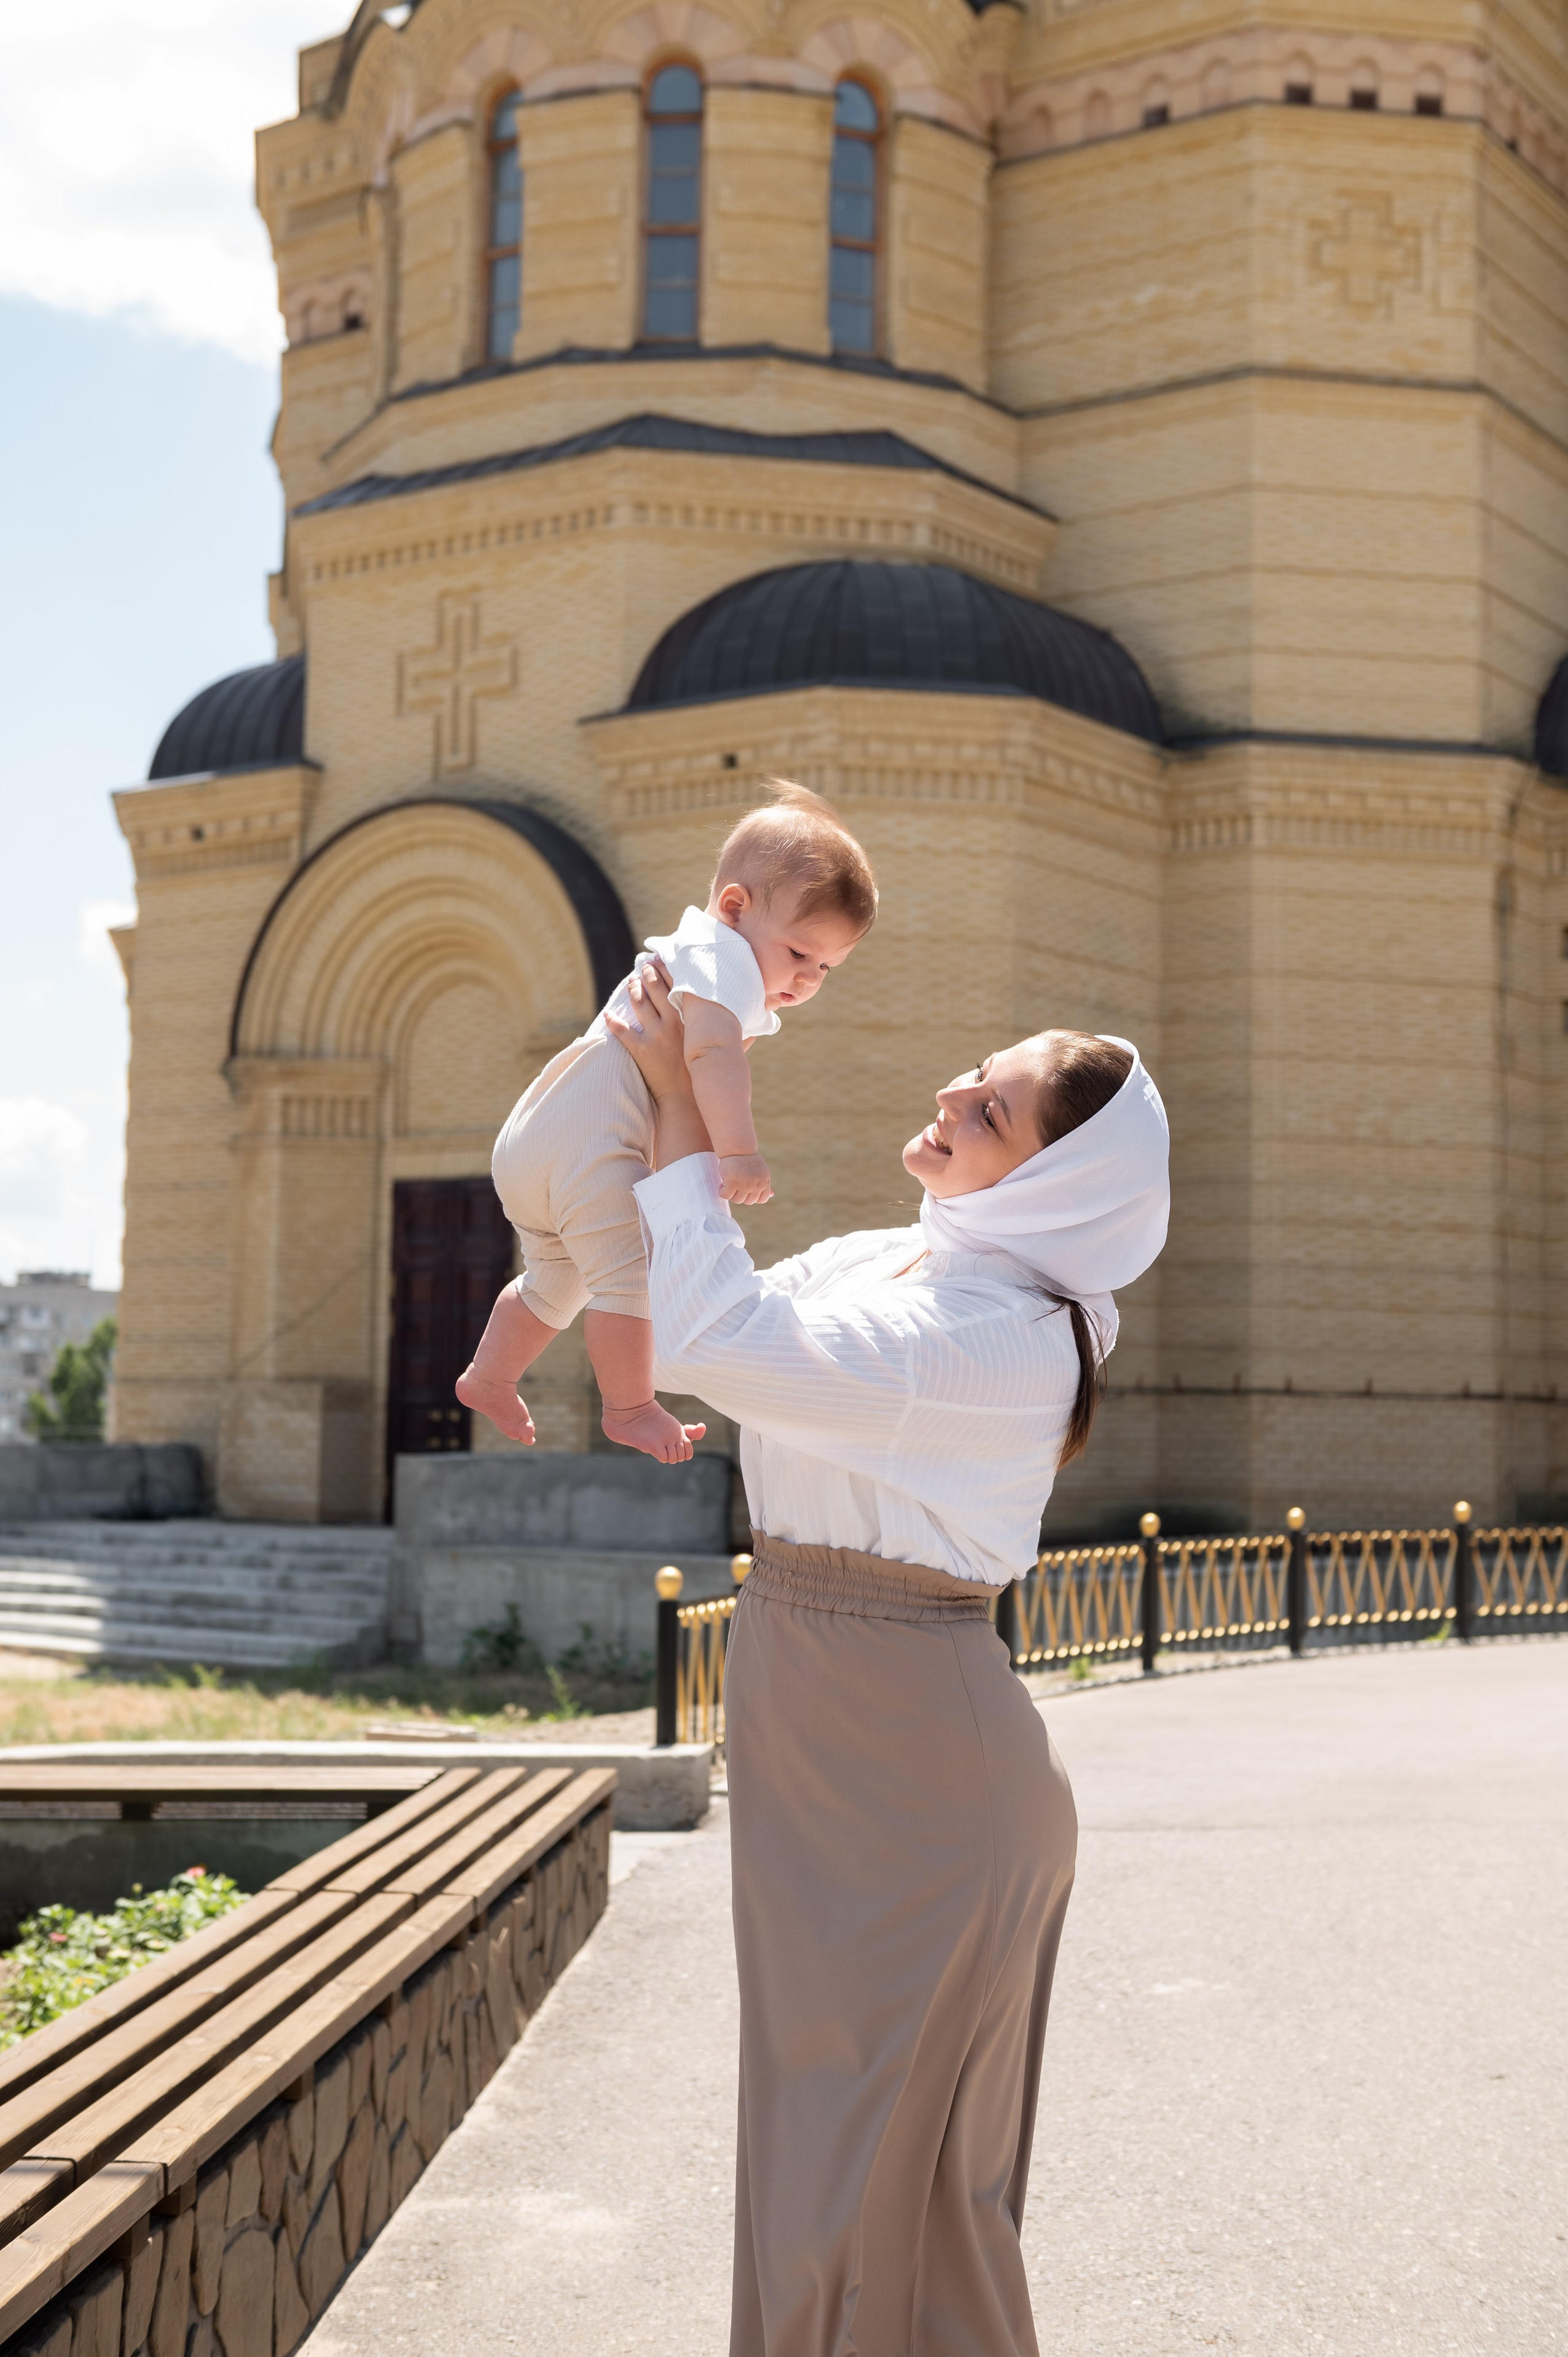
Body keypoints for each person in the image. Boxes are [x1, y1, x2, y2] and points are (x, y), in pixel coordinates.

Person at [606, 971, 1170, 2357]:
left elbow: (706, 1336)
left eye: (987, 1111)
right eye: (970, 1070)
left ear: (1050, 1186)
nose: (946, 1099)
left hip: (915, 1767)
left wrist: (691, 1095)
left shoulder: (988, 1338)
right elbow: (690, 1313)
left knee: (857, 2182)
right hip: (837, 1717)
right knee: (839, 2168)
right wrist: (657, 1080)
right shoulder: (894, 1265)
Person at [456, 783, 877, 1462]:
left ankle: (490, 1376)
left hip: (540, 1140)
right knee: (632, 1273)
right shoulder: (725, 960)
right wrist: (738, 1152)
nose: (806, 981)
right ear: (734, 907)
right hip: (589, 1141)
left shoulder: (704, 951)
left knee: (556, 1282)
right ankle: (629, 1407)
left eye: (826, 967)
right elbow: (709, 1054)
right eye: (799, 953)